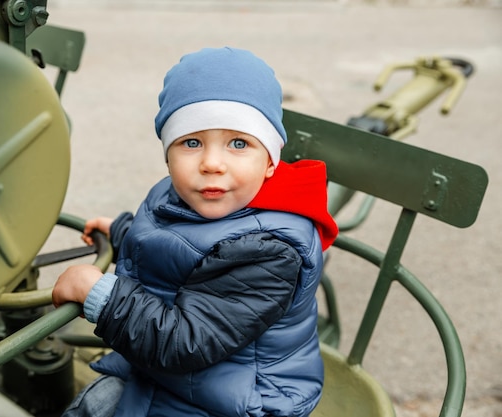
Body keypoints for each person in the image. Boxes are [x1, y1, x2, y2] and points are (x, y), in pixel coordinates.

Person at [52, 46, 339, 417]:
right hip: (177, 376)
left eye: (239, 143)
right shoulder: (189, 195)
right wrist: (124, 232)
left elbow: (185, 345)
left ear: (270, 161)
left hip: (237, 401)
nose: (211, 163)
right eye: (191, 142)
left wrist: (99, 294)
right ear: (168, 154)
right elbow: (177, 247)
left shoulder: (270, 250)